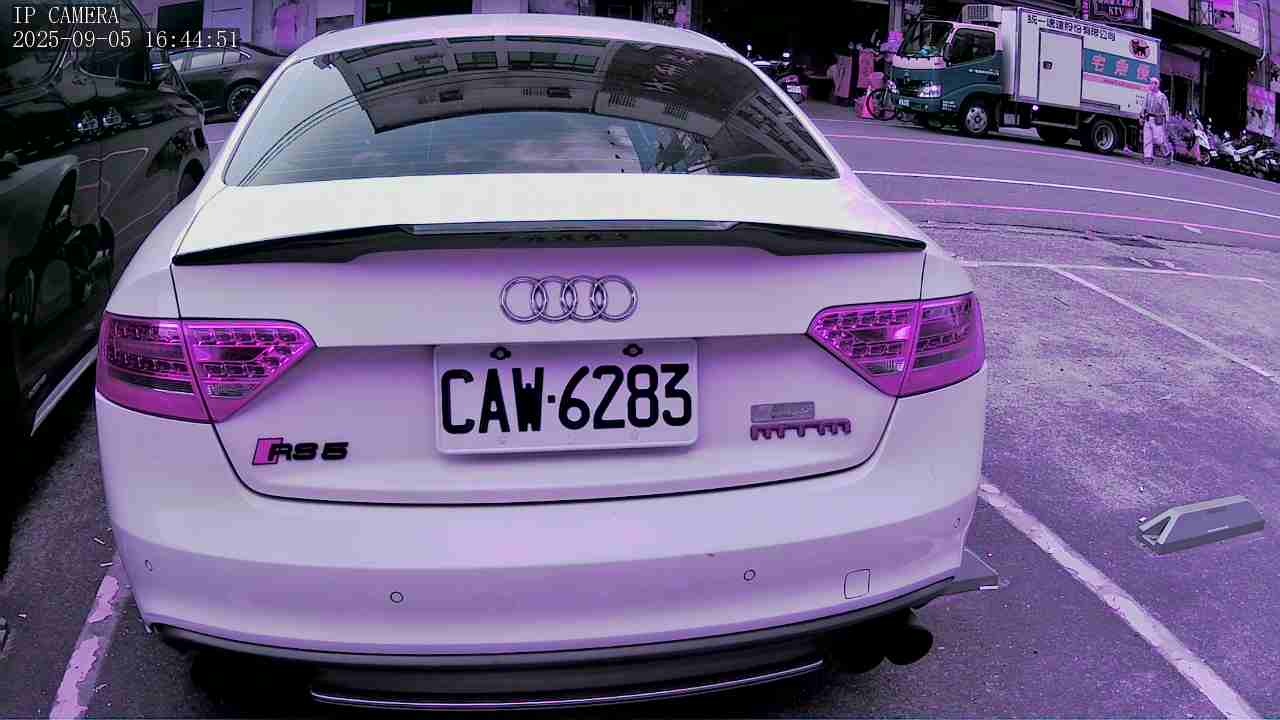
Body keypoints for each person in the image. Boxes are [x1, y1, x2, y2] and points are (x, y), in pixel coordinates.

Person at [1141, 77, 1172, 166]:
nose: (1152, 85)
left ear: (1158, 85)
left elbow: (1166, 110)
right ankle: (1148, 157)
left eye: (1154, 83)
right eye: (1151, 83)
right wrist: (1141, 116)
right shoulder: (1148, 95)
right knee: (1147, 139)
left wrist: (1167, 121)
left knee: (1158, 140)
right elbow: (1144, 106)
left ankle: (1167, 153)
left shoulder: (1162, 97)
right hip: (1148, 118)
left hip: (1157, 120)